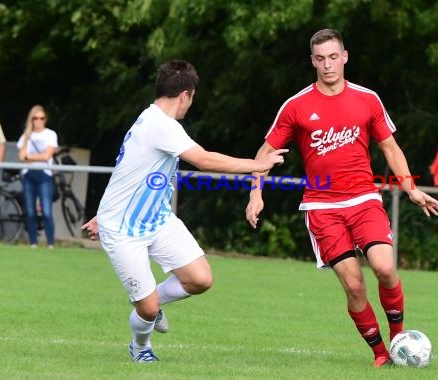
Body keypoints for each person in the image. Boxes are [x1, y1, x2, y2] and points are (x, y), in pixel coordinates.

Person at [245, 29, 438, 368]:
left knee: (384, 267)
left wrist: (410, 188)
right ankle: (381, 354)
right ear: (312, 61)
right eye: (320, 59)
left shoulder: (367, 99)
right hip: (322, 208)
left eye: (333, 57)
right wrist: (255, 193)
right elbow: (264, 152)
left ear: (345, 57)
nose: (327, 65)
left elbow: (390, 148)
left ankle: (398, 338)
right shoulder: (296, 106)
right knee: (354, 286)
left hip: (364, 199)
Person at [81, 59, 287, 363]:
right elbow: (205, 160)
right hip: (124, 229)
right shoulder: (160, 126)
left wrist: (104, 208)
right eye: (191, 99)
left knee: (200, 279)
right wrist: (258, 165)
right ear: (185, 95)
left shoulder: (150, 120)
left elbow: (129, 169)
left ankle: (151, 301)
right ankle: (140, 346)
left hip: (157, 219)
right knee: (147, 310)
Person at [17, 105, 58, 249]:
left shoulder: (50, 134)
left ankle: (50, 243)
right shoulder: (26, 136)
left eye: (41, 118)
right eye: (35, 118)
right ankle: (33, 242)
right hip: (28, 175)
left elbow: (47, 155)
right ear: (31, 119)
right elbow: (21, 156)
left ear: (45, 119)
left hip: (44, 175)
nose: (39, 121)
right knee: (29, 211)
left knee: (46, 211)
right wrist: (36, 157)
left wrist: (30, 157)